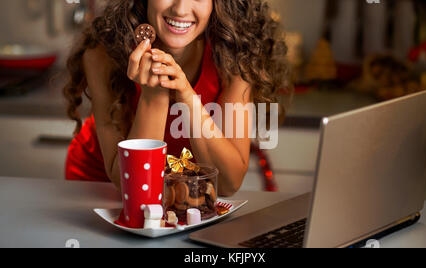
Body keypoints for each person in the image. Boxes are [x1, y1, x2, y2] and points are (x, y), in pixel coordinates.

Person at [63, 0, 292, 196]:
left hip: (182, 189)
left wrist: (186, 95)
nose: (181, 9)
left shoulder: (235, 55)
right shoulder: (102, 55)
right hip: (100, 184)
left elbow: (227, 184)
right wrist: (155, 96)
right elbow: (133, 187)